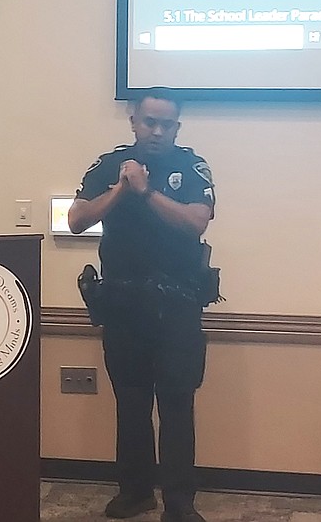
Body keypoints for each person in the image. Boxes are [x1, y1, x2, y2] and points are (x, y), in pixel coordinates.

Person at [69, 92, 216, 522]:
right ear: (134, 121)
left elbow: (195, 222)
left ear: (176, 128)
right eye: (149, 122)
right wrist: (120, 188)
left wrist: (146, 191)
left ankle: (179, 502)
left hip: (177, 305)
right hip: (122, 301)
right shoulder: (109, 164)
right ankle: (134, 492)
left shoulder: (192, 167)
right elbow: (77, 219)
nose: (156, 130)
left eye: (165, 124)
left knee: (176, 404)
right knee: (130, 403)